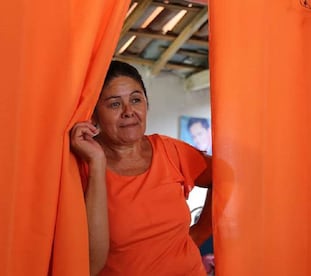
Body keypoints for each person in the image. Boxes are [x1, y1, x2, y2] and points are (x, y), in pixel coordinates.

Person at [70, 60, 213, 276]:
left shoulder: (170, 150)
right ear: (93, 114)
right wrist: (97, 164)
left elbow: (222, 177)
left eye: (136, 100)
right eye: (114, 104)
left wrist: (199, 234)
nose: (129, 111)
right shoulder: (80, 167)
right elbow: (89, 265)